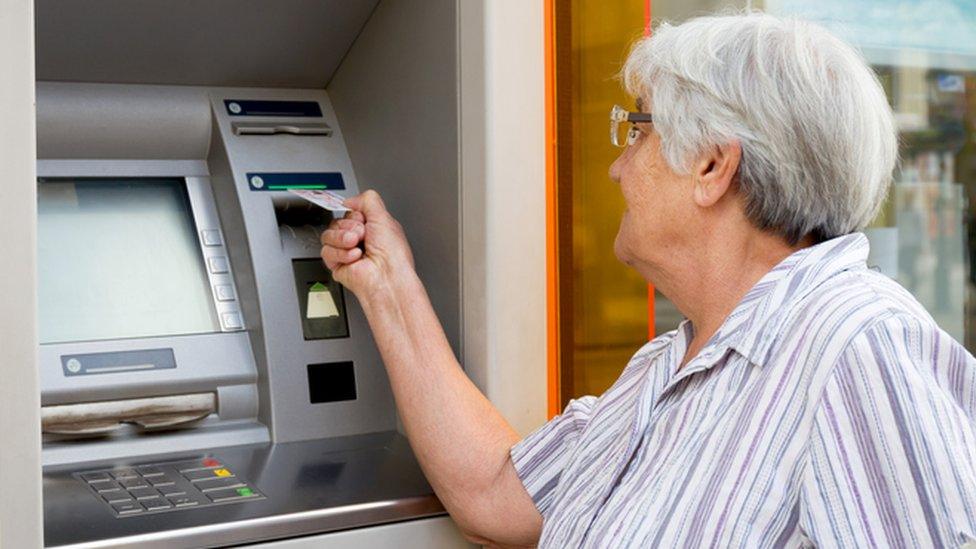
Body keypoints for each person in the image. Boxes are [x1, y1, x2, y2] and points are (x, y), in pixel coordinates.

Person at [320, 12, 976, 548]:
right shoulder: (668, 367)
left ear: (713, 165)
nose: (616, 167)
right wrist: (389, 284)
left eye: (637, 131)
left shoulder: (856, 343)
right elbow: (497, 495)